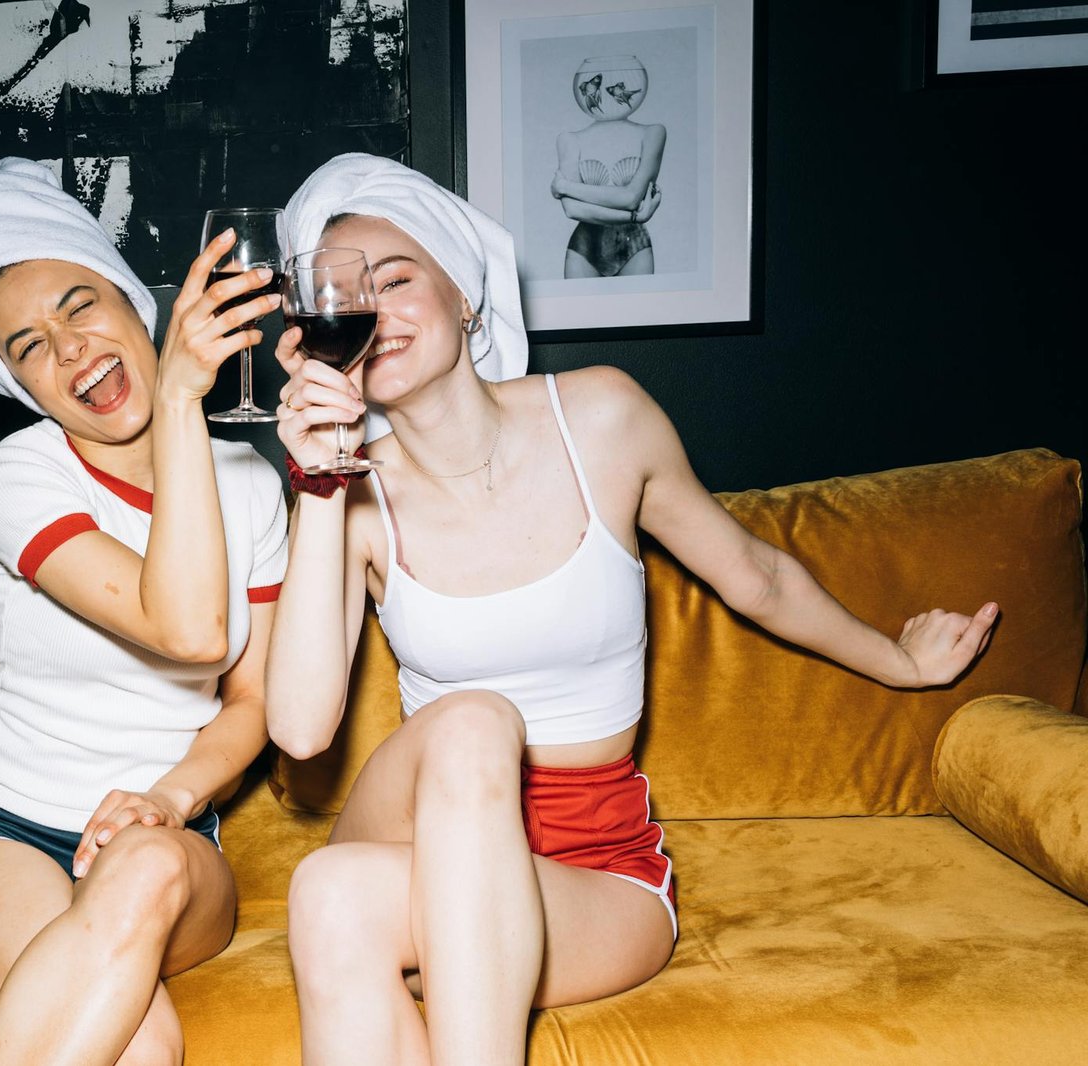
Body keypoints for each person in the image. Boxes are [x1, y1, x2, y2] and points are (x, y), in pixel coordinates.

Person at [264, 153, 998, 1066]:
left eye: (398, 278)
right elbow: (299, 732)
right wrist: (322, 482)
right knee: (470, 721)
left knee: (329, 894)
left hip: (592, 868)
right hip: (416, 817)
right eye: (345, 293)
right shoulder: (355, 496)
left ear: (468, 298)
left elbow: (756, 577)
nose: (372, 310)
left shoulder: (602, 419)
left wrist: (903, 661)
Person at [0, 157, 289, 1065]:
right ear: (20, 385)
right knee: (141, 1050)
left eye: (79, 306)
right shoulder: (17, 478)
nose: (67, 348)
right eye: (27, 346)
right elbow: (184, 628)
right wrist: (183, 398)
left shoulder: (252, 485)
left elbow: (251, 697)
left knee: (138, 864)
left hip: (168, 839)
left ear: (133, 301)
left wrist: (168, 799)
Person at [552, 55, 666, 278]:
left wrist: (565, 186)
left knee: (641, 313)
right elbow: (572, 209)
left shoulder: (653, 132)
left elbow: (632, 197)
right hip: (585, 248)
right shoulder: (568, 139)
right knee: (581, 313)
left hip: (634, 248)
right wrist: (635, 217)